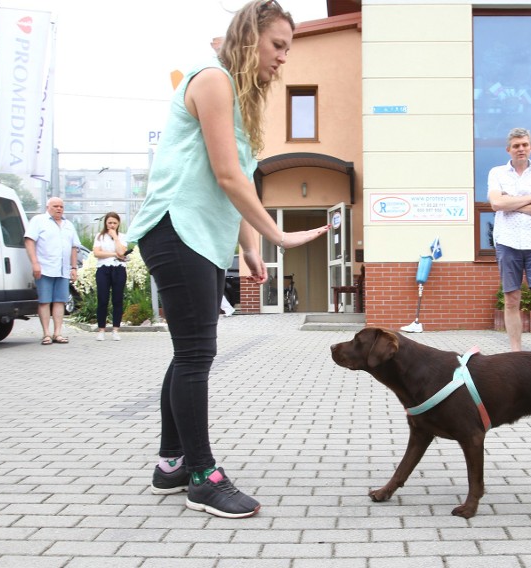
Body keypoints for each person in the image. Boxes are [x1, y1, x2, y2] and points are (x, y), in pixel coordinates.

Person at [126, 0, 329, 519]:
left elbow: (235, 179)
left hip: (202, 234)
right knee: (196, 354)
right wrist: (277, 236)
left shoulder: (238, 95)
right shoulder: (213, 80)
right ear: (248, 36)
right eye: (277, 45)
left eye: (288, 48)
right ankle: (201, 475)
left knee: (188, 351)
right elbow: (228, 177)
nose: (284, 58)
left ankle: (171, 464)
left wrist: (250, 248)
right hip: (177, 228)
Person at [488, 127, 531, 352]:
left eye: (525, 145)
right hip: (507, 242)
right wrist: (529, 199)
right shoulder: (497, 173)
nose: (521, 149)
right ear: (509, 149)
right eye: (516, 146)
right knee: (511, 299)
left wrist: (513, 202)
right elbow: (497, 204)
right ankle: (515, 354)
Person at [24, 197, 80, 345]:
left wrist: (73, 267)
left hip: (62, 270)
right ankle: (46, 334)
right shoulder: (39, 221)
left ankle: (57, 333)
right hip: (45, 268)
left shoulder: (68, 225)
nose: (59, 209)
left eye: (61, 206)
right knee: (44, 301)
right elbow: (29, 241)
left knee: (60, 301)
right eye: (55, 206)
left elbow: (74, 247)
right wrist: (35, 263)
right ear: (48, 207)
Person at [93, 212, 128, 341]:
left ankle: (115, 329)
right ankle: (101, 329)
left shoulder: (122, 237)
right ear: (105, 223)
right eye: (110, 223)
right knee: (102, 299)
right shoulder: (99, 236)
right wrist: (114, 254)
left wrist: (115, 238)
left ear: (118, 223)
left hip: (119, 269)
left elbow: (122, 252)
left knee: (117, 299)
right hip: (103, 269)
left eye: (114, 223)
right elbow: (97, 253)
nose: (112, 225)